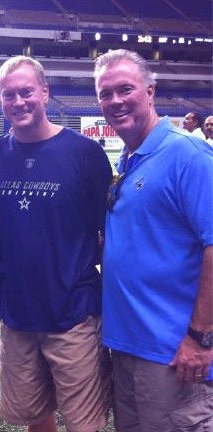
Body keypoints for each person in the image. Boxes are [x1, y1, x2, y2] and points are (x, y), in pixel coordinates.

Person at [0, 55, 113, 432]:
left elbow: (103, 232)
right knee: (34, 415)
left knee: (84, 423)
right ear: (0, 100)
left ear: (45, 92)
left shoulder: (85, 154)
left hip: (73, 313)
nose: (18, 102)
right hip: (17, 314)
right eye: (9, 95)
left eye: (26, 92)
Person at [94, 49, 213, 431]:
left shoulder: (187, 154)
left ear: (150, 92)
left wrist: (200, 337)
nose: (115, 101)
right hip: (128, 345)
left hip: (173, 351)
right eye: (105, 93)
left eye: (125, 89)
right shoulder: (131, 159)